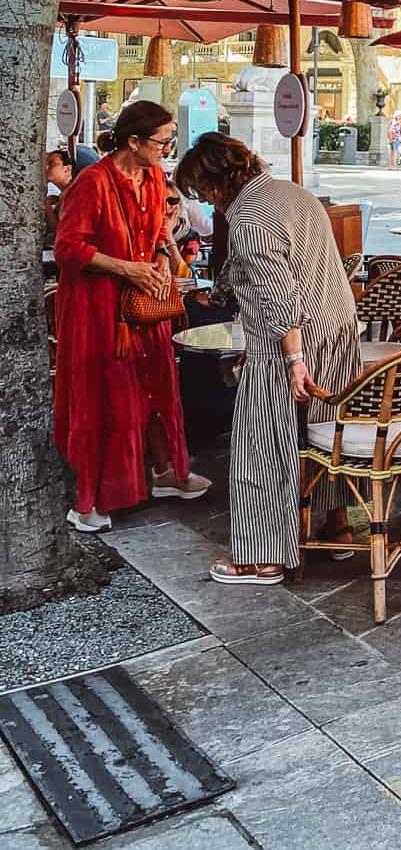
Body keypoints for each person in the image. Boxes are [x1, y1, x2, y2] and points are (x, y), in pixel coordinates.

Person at [174, 133, 358, 584]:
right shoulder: (293, 193)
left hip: (287, 344)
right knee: (326, 435)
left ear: (217, 182)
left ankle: (263, 556)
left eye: (201, 191)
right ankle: (337, 528)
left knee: (260, 447)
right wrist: (219, 294)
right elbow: (253, 267)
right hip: (336, 327)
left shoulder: (250, 218)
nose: (203, 202)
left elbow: (279, 296)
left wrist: (294, 360)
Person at [54, 101, 208, 533]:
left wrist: (159, 260)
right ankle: (91, 499)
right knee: (104, 398)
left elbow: (158, 230)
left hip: (145, 301)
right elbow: (68, 249)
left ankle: (166, 471)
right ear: (134, 141)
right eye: (163, 141)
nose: (168, 149)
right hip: (98, 307)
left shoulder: (154, 176)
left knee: (157, 385)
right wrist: (126, 268)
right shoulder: (92, 182)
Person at [45, 148, 73, 239]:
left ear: (67, 169)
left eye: (51, 164)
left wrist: (46, 204)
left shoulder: (72, 193)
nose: (46, 167)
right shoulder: (64, 193)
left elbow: (57, 230)